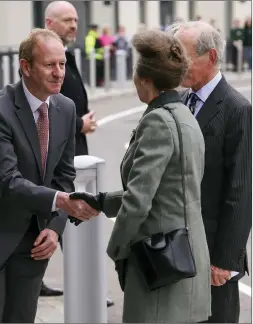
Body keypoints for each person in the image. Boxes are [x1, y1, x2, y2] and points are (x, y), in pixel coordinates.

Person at [0, 28, 99, 323]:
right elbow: (7, 181)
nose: (58, 73)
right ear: (25, 66)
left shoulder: (65, 109)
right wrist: (62, 202)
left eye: (62, 64)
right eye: (49, 65)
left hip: (33, 241)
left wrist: (54, 228)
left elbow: (64, 174)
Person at [71, 29, 212, 322]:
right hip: (187, 254)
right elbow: (170, 191)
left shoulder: (158, 121)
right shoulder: (185, 114)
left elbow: (139, 201)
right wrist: (101, 201)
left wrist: (117, 250)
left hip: (159, 259)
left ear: (145, 80)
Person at [168, 20, 252, 323]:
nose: (177, 65)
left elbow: (240, 191)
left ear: (211, 57)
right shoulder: (177, 102)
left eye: (184, 57)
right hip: (174, 250)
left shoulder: (236, 109)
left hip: (213, 256)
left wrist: (224, 260)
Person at [43, 1, 116, 307]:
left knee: (61, 218)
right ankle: (88, 288)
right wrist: (79, 124)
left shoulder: (65, 56)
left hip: (73, 150)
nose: (74, 25)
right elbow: (43, 109)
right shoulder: (44, 60)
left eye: (75, 20)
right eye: (67, 21)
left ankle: (74, 284)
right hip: (57, 155)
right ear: (50, 24)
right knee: (68, 217)